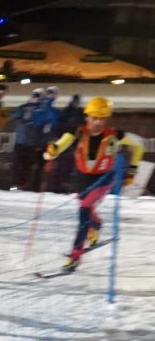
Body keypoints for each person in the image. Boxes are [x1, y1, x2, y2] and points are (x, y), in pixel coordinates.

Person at [43, 97, 144, 271]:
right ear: (87, 117)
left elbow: (139, 145)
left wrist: (133, 170)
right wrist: (52, 152)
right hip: (82, 179)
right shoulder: (77, 132)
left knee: (83, 213)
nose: (98, 122)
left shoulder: (114, 135)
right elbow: (61, 144)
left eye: (102, 118)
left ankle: (75, 256)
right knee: (86, 209)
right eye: (95, 118)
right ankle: (96, 224)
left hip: (103, 179)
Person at [10, 88, 58, 192]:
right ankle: (15, 185)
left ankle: (24, 185)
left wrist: (41, 106)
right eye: (34, 95)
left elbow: (44, 120)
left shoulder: (42, 110)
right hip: (20, 140)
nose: (35, 98)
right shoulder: (24, 107)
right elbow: (13, 115)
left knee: (28, 165)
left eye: (38, 96)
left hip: (31, 142)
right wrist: (24, 111)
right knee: (17, 164)